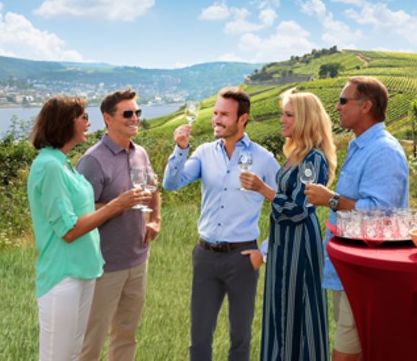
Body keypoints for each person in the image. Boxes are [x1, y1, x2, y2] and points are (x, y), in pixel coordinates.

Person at [162, 87, 279, 361]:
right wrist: (180, 149)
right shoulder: (203, 153)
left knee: (240, 340)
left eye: (224, 115)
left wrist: (263, 253)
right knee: (199, 339)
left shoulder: (264, 159)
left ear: (242, 119)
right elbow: (171, 184)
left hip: (243, 257)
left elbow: (286, 208)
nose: (216, 119)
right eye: (215, 113)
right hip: (205, 256)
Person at [27, 96, 146, 361]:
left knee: (73, 355)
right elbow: (68, 230)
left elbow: (84, 212)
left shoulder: (64, 164)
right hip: (63, 275)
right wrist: (117, 205)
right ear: (65, 123)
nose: (88, 123)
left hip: (85, 271)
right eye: (83, 117)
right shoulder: (49, 166)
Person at [305, 76, 409, 361]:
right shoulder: (360, 146)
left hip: (366, 274)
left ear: (366, 106)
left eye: (343, 100)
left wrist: (330, 199)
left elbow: (380, 214)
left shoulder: (383, 151)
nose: (336, 107)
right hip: (349, 271)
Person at [240, 91, 337, 361]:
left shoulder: (313, 159)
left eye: (288, 115)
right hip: (284, 243)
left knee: (295, 309)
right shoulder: (295, 153)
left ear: (305, 119)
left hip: (299, 245)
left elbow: (297, 209)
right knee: (279, 306)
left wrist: (263, 189)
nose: (281, 119)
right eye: (283, 113)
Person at [78, 89, 162, 361]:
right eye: (128, 113)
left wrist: (156, 220)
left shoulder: (141, 153)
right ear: (107, 118)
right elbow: (79, 214)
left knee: (127, 334)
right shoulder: (92, 160)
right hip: (104, 264)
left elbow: (154, 189)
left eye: (138, 112)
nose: (135, 118)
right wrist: (119, 204)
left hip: (138, 259)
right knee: (92, 338)